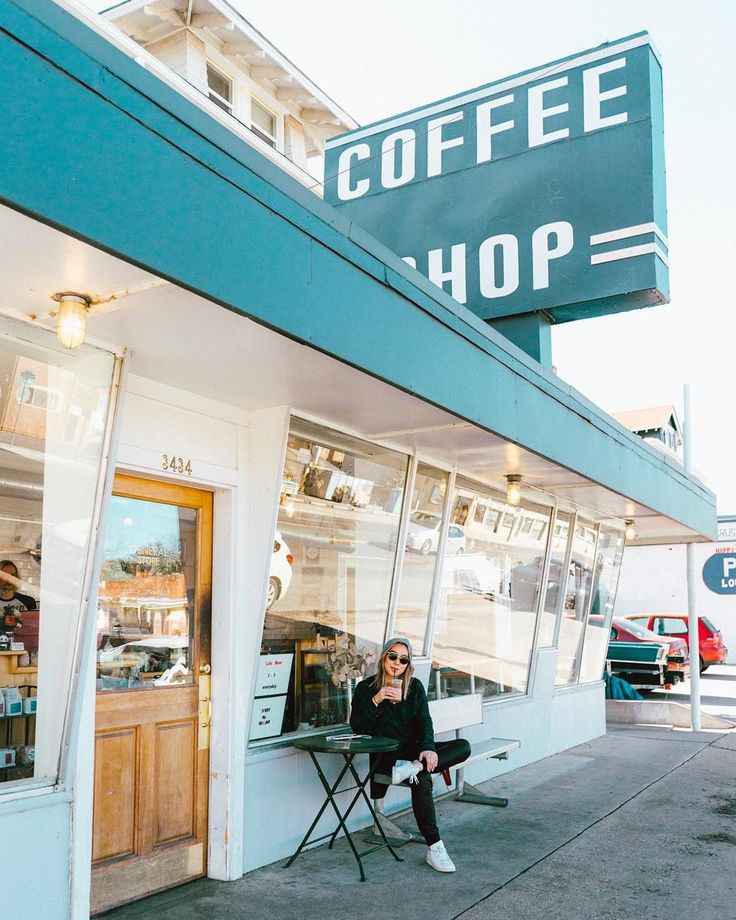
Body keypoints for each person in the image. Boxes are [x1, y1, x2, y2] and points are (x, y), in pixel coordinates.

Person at [350, 636, 470, 873]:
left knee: (463, 746)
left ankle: (415, 767)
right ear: (384, 657)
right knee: (423, 780)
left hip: (413, 756)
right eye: (392, 656)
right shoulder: (366, 688)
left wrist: (428, 748)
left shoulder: (414, 687)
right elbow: (358, 728)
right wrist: (377, 699)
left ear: (408, 665)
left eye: (403, 660)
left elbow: (425, 721)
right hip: (388, 758)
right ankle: (435, 847)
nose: (396, 663)